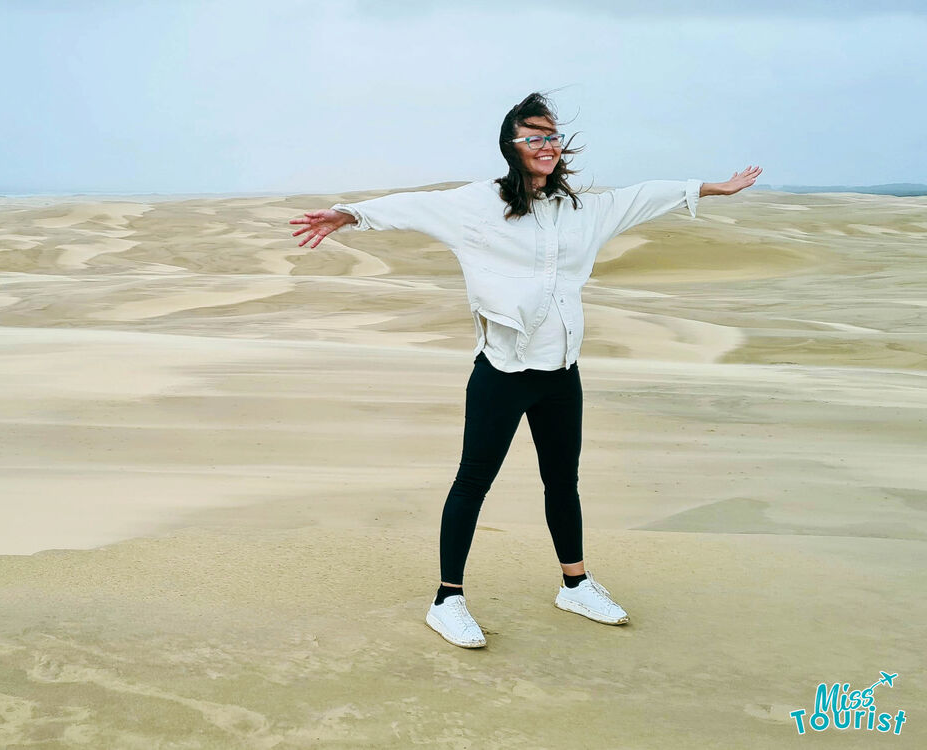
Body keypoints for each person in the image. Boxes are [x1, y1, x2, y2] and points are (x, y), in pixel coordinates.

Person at [289, 91, 761, 649]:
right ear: (512, 147)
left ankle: (576, 583)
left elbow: (641, 197)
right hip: (502, 372)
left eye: (553, 136)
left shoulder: (581, 211)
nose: (547, 146)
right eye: (534, 136)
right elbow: (414, 206)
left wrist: (709, 187)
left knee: (564, 482)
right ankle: (447, 599)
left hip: (561, 373)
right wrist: (351, 214)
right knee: (473, 482)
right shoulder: (476, 205)